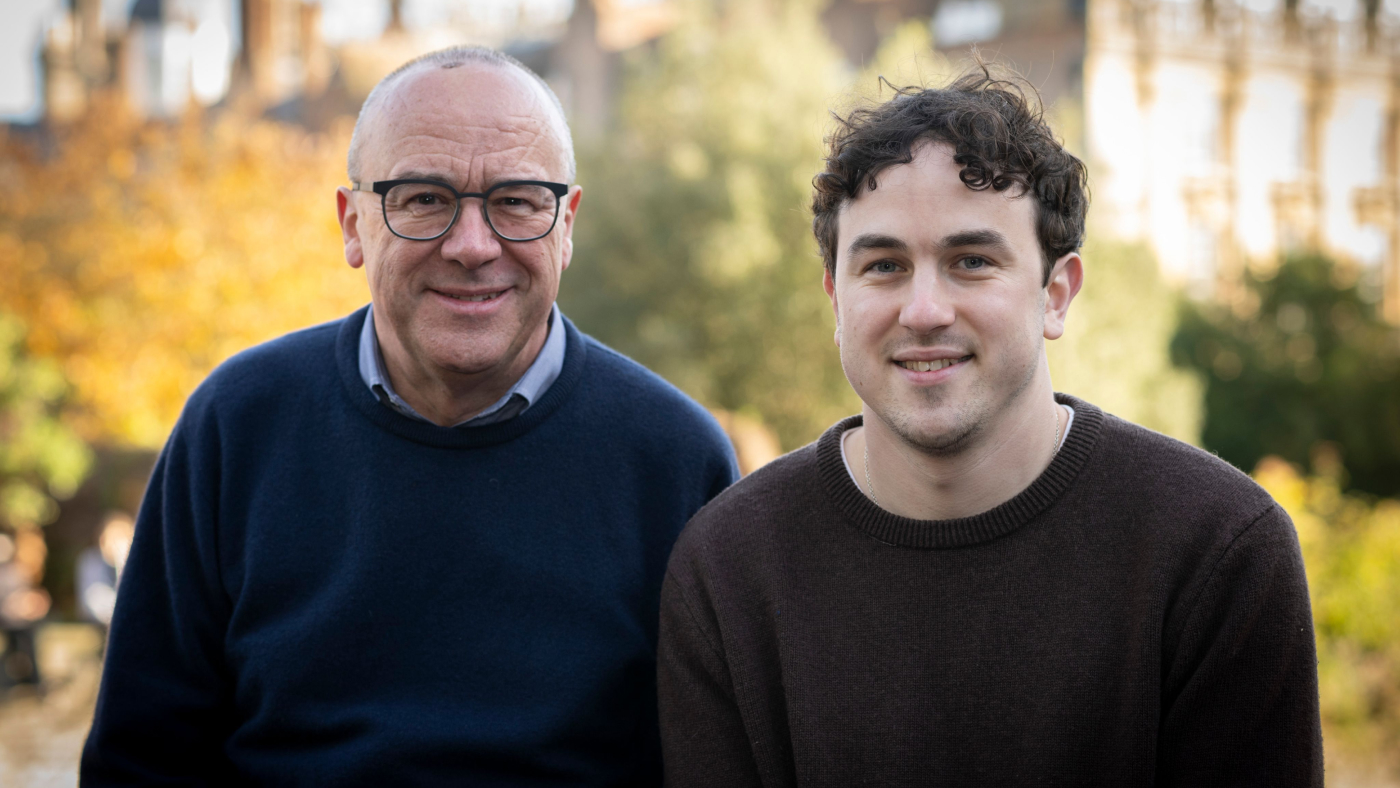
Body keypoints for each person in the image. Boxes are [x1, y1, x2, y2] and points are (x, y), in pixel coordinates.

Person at [82, 46, 738, 785]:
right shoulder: (236, 428)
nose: (472, 246)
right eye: (424, 199)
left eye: (517, 201)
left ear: (567, 224)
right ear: (353, 224)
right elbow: (139, 762)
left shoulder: (675, 461)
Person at [657, 67, 1323, 786]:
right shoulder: (729, 567)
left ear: (1056, 295)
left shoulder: (1217, 551)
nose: (923, 311)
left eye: (971, 261)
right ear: (835, 299)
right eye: (883, 265)